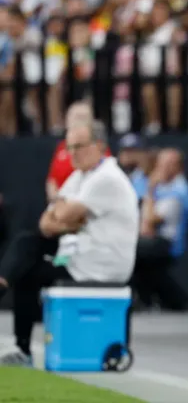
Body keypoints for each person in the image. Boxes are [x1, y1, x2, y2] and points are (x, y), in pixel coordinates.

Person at [0, 119, 138, 365]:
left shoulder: (107, 178)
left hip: (100, 265)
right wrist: (71, 220)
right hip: (80, 254)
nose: (73, 154)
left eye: (79, 147)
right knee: (27, 241)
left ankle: (23, 348)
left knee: (28, 268)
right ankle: (4, 289)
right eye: (69, 148)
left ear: (99, 146)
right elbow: (46, 222)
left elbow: (59, 214)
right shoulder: (81, 176)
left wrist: (64, 214)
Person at [132, 148, 188, 311]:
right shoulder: (165, 187)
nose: (161, 168)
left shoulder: (179, 191)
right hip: (154, 240)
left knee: (131, 250)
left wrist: (150, 189)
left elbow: (149, 221)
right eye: (160, 164)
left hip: (167, 243)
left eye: (167, 164)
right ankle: (145, 300)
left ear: (178, 167)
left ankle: (142, 301)